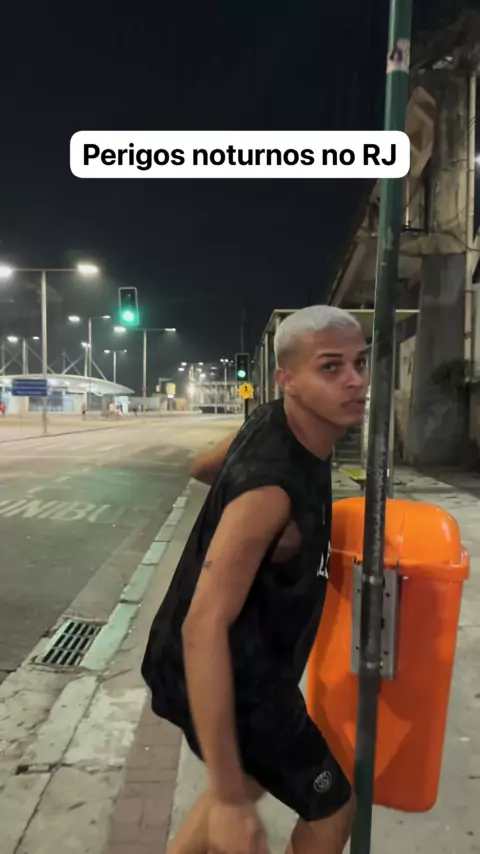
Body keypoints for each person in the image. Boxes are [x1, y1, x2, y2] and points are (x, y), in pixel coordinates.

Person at [142, 305, 369, 854]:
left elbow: (201, 466)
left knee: (249, 774)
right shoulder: (271, 492)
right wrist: (225, 799)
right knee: (331, 811)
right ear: (287, 379)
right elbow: (203, 626)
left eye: (360, 363)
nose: (355, 380)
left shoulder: (269, 419)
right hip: (238, 680)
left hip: (187, 662)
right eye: (331, 367)